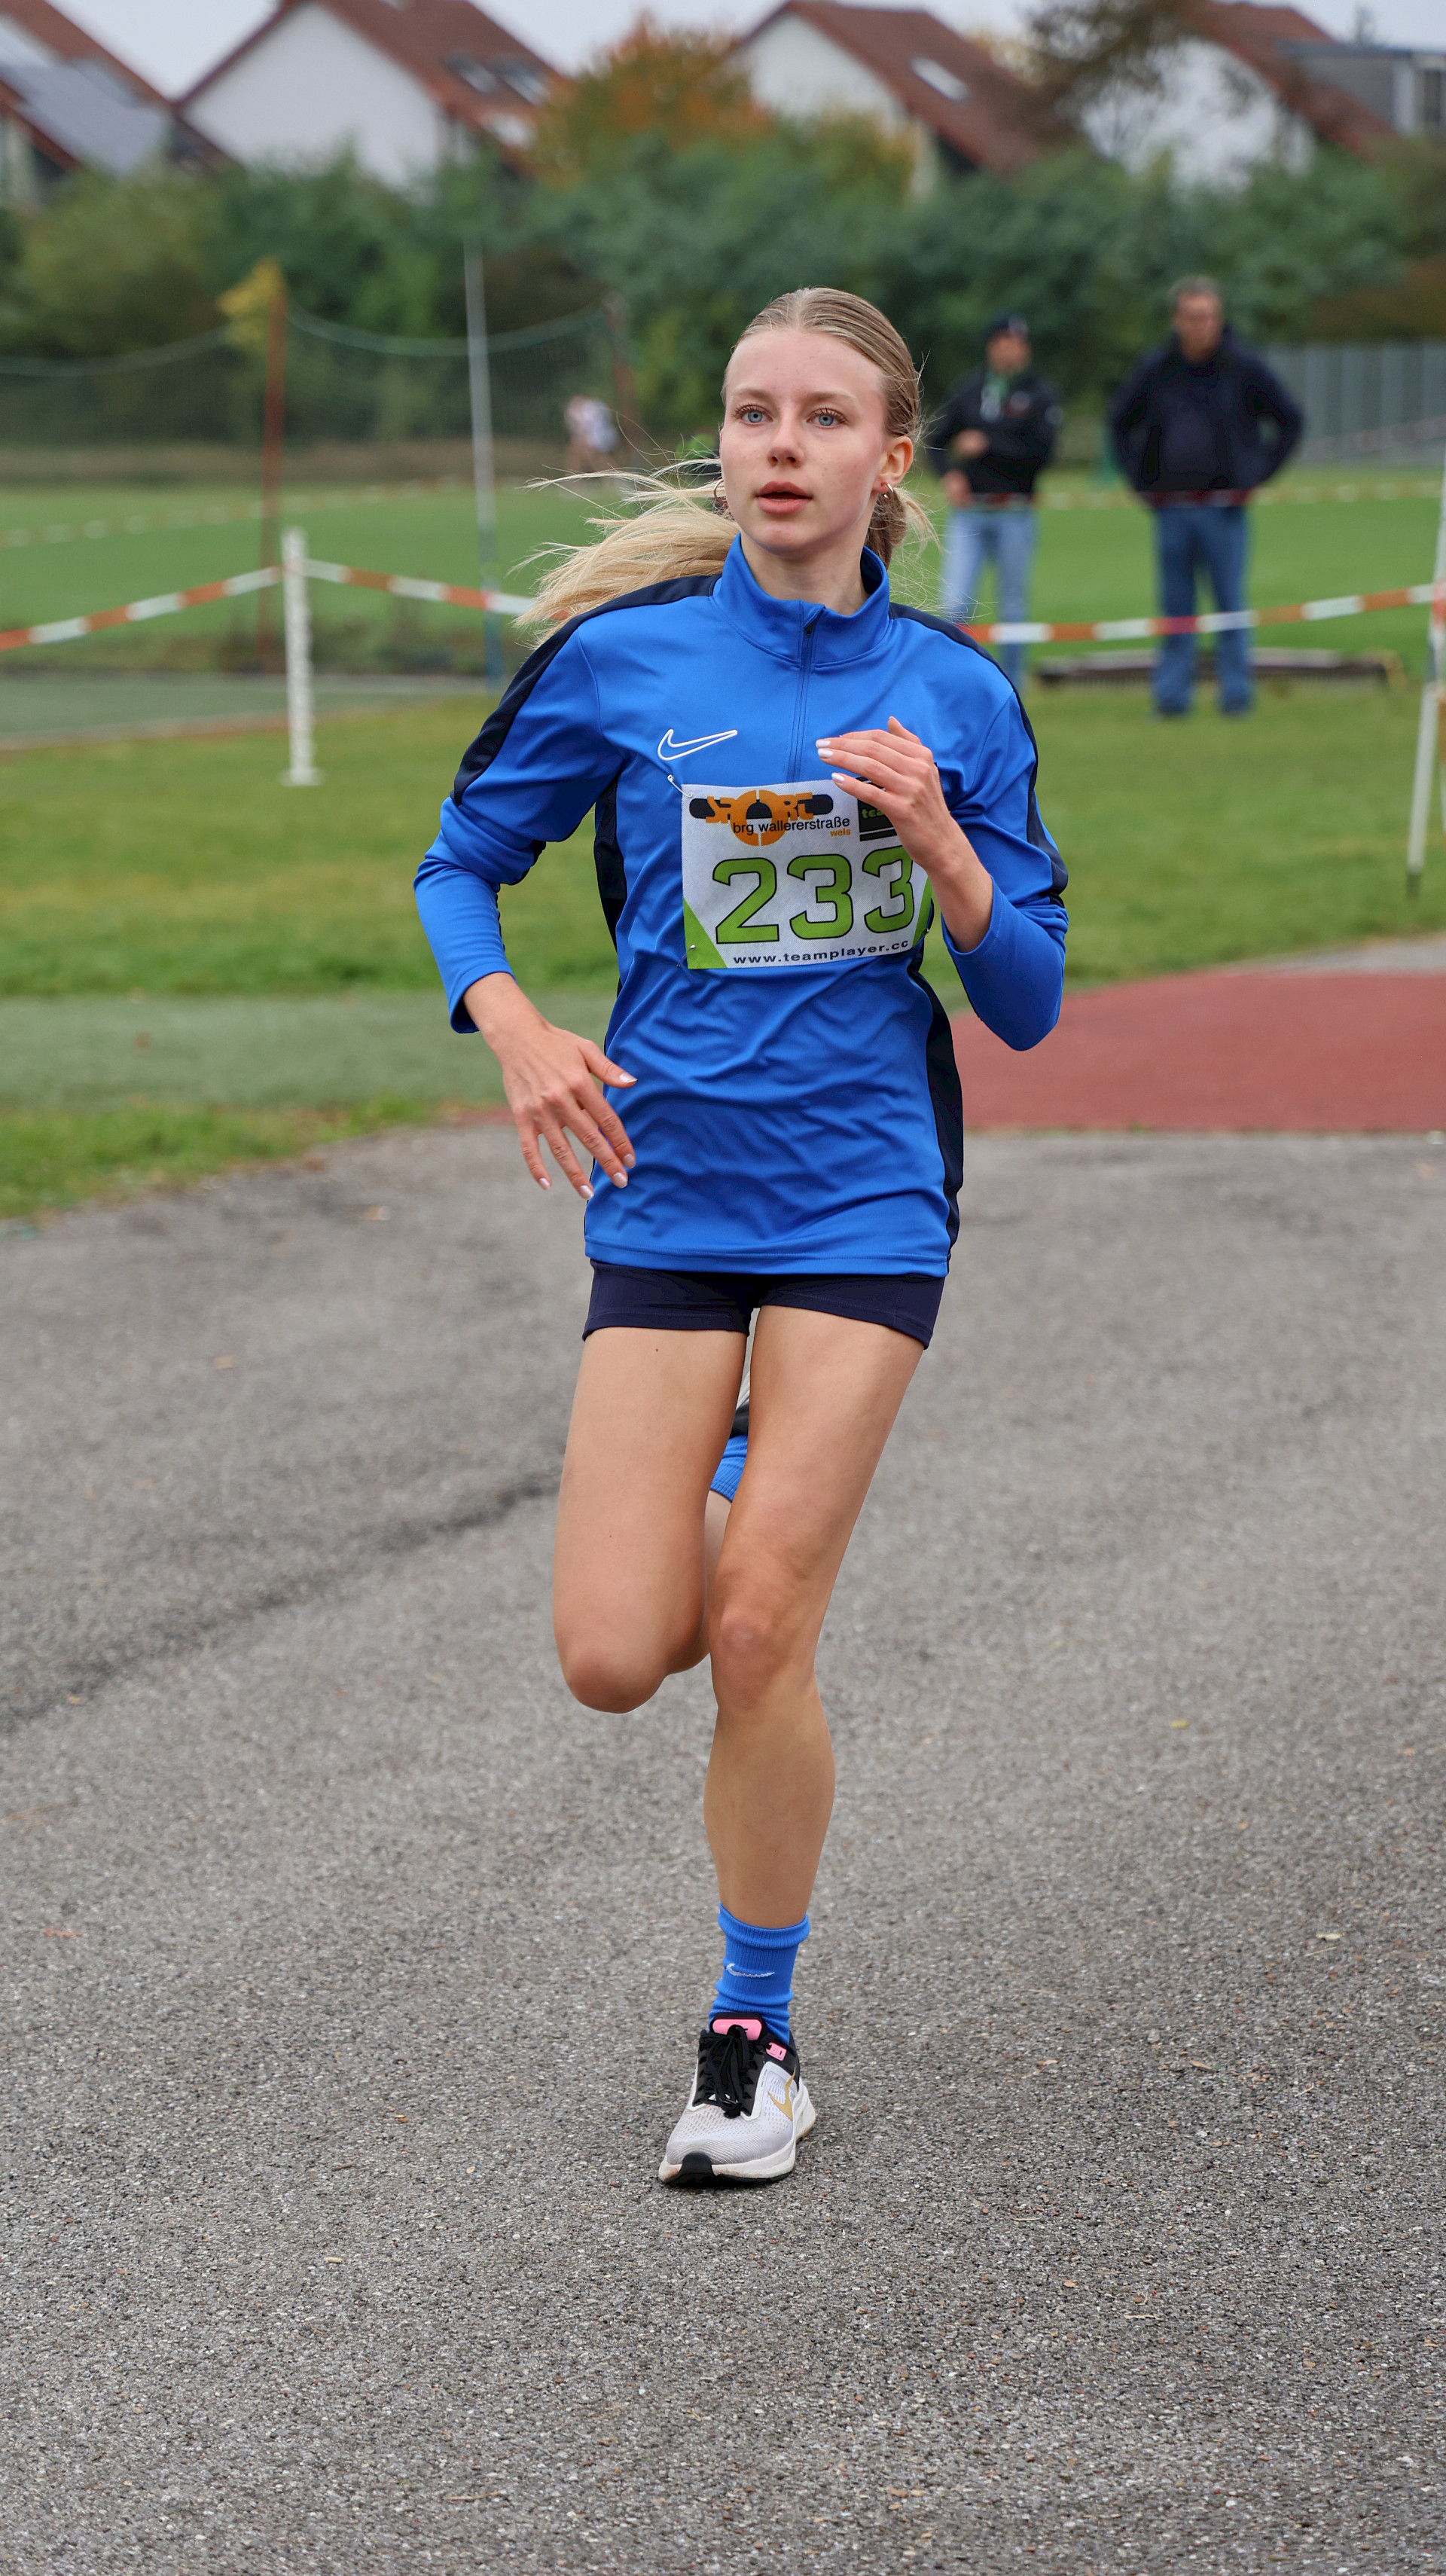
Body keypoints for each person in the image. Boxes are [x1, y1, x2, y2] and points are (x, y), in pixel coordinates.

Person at [414, 286, 1067, 2186]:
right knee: (618, 1653)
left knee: (763, 1629)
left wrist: (946, 850)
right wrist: (516, 1025)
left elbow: (1027, 999)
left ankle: (751, 2035)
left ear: (891, 458)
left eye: (823, 416)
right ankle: (726, 1463)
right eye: (752, 412)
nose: (781, 445)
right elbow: (462, 867)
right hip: (672, 1188)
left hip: (863, 1192)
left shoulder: (955, 692)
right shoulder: (619, 664)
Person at [1109, 276, 1304, 719]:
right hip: (1172, 509)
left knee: (1230, 605)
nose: (1203, 325)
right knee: (1175, 608)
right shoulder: (1156, 368)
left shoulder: (1243, 368)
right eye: (1194, 317)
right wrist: (1142, 482)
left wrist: (1255, 475)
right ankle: (1172, 697)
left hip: (1223, 509)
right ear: (1177, 320)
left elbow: (1290, 420)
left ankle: (1236, 696)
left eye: (1210, 317)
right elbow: (1120, 421)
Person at [928, 313, 1060, 693]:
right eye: (1004, 342)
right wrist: (949, 475)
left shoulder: (1039, 394)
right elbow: (937, 440)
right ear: (991, 347)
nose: (1011, 350)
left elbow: (1041, 452)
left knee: (1013, 606)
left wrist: (989, 443)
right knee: (955, 604)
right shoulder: (969, 389)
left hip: (1015, 512)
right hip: (969, 513)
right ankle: (956, 681)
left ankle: (1012, 686)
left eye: (1018, 343)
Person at [564, 392, 620, 480]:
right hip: (603, 435)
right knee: (590, 457)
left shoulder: (587, 410)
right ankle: (574, 479)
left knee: (595, 458)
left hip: (596, 437)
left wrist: (583, 438)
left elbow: (586, 426)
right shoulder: (595, 405)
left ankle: (614, 476)